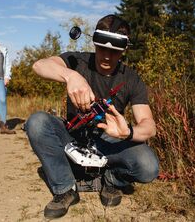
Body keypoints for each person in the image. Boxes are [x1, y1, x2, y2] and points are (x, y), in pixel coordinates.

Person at [25, 15, 159, 219]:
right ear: (94, 42)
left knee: (148, 166)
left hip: (108, 141)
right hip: (71, 135)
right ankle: (65, 189)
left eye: (114, 50)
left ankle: (111, 180)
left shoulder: (131, 78)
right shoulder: (76, 61)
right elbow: (39, 66)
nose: (106, 55)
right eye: (102, 47)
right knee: (36, 122)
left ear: (124, 49)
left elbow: (149, 126)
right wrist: (71, 76)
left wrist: (128, 132)